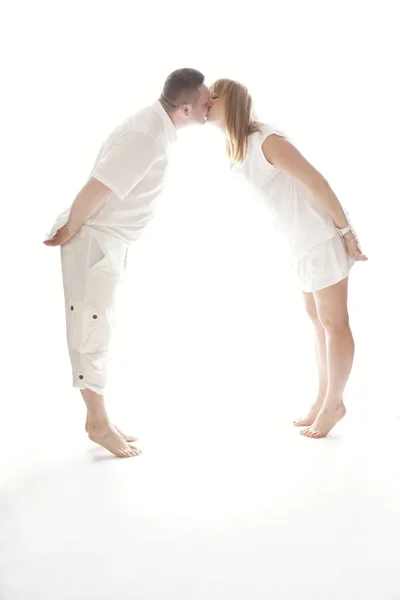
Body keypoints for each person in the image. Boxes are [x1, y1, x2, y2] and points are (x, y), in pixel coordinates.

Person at [44, 68, 212, 458]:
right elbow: (98, 187)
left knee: (99, 325)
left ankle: (99, 416)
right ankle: (97, 423)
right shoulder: (147, 136)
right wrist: (70, 229)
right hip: (95, 238)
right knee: (91, 328)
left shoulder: (156, 128)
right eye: (205, 103)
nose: (210, 108)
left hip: (109, 239)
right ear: (185, 108)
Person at [206, 78, 367, 439]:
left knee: (333, 321)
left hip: (319, 238)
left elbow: (317, 182)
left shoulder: (266, 139)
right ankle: (323, 398)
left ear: (232, 103)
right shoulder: (237, 145)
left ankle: (334, 404)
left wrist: (346, 233)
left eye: (214, 97)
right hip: (297, 243)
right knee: (317, 320)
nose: (207, 101)